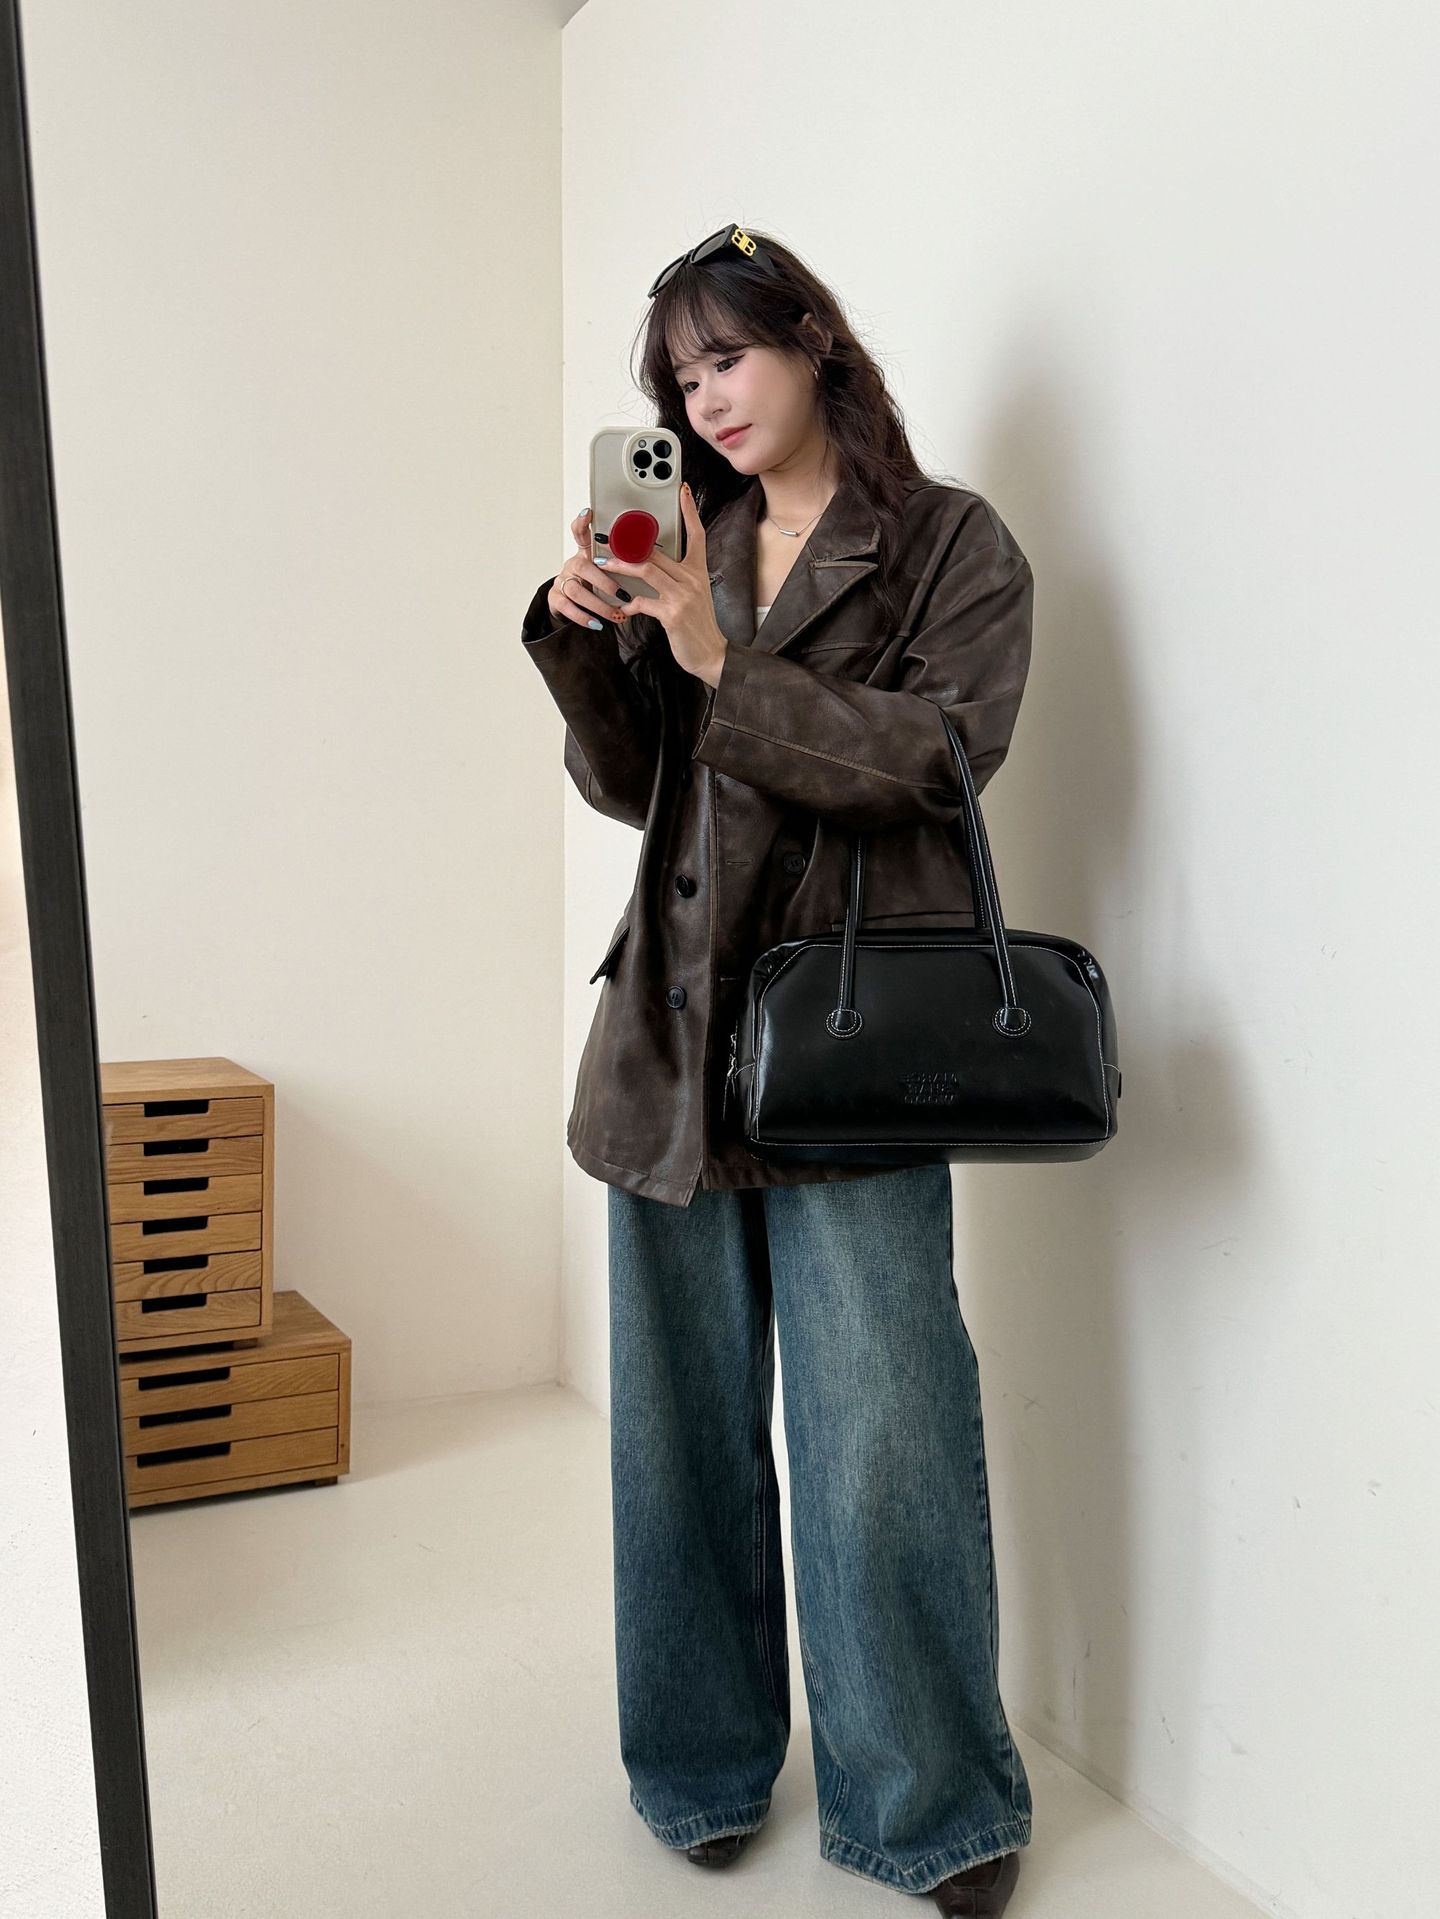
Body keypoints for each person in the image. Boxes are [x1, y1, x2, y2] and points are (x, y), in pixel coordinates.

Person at [521, 225, 1034, 1915]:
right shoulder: (697, 541)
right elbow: (635, 788)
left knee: (885, 1439)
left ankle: (934, 1805)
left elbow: (937, 763)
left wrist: (727, 663)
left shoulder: (949, 544)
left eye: (727, 357)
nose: (705, 400)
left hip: (850, 1046)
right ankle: (696, 1767)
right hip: (670, 1042)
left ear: (813, 337)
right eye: (679, 379)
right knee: (678, 1452)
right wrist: (589, 637)